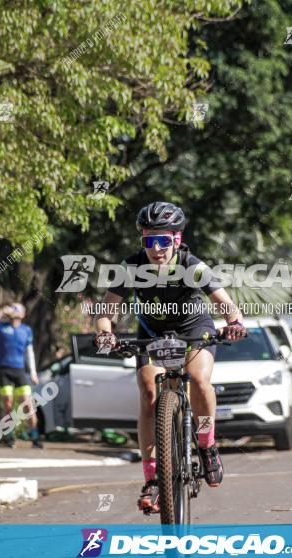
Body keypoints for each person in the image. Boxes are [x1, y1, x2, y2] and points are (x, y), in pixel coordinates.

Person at [92, 201, 247, 513]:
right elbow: (105, 312)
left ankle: (206, 445)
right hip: (151, 332)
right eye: (149, 241)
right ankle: (152, 477)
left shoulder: (193, 265)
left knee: (200, 381)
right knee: (149, 394)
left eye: (163, 241)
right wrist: (105, 332)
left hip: (194, 328)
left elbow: (226, 304)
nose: (156, 248)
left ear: (177, 239)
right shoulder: (131, 267)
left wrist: (234, 324)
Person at [0, 302, 42, 448]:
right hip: (4, 370)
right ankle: (9, 438)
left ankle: (35, 437)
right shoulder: (2, 327)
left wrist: (33, 372)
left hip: (19, 371)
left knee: (28, 405)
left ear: (22, 314)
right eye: (12, 308)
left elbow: (29, 352)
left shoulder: (26, 330)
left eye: (16, 308)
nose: (13, 309)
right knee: (7, 404)